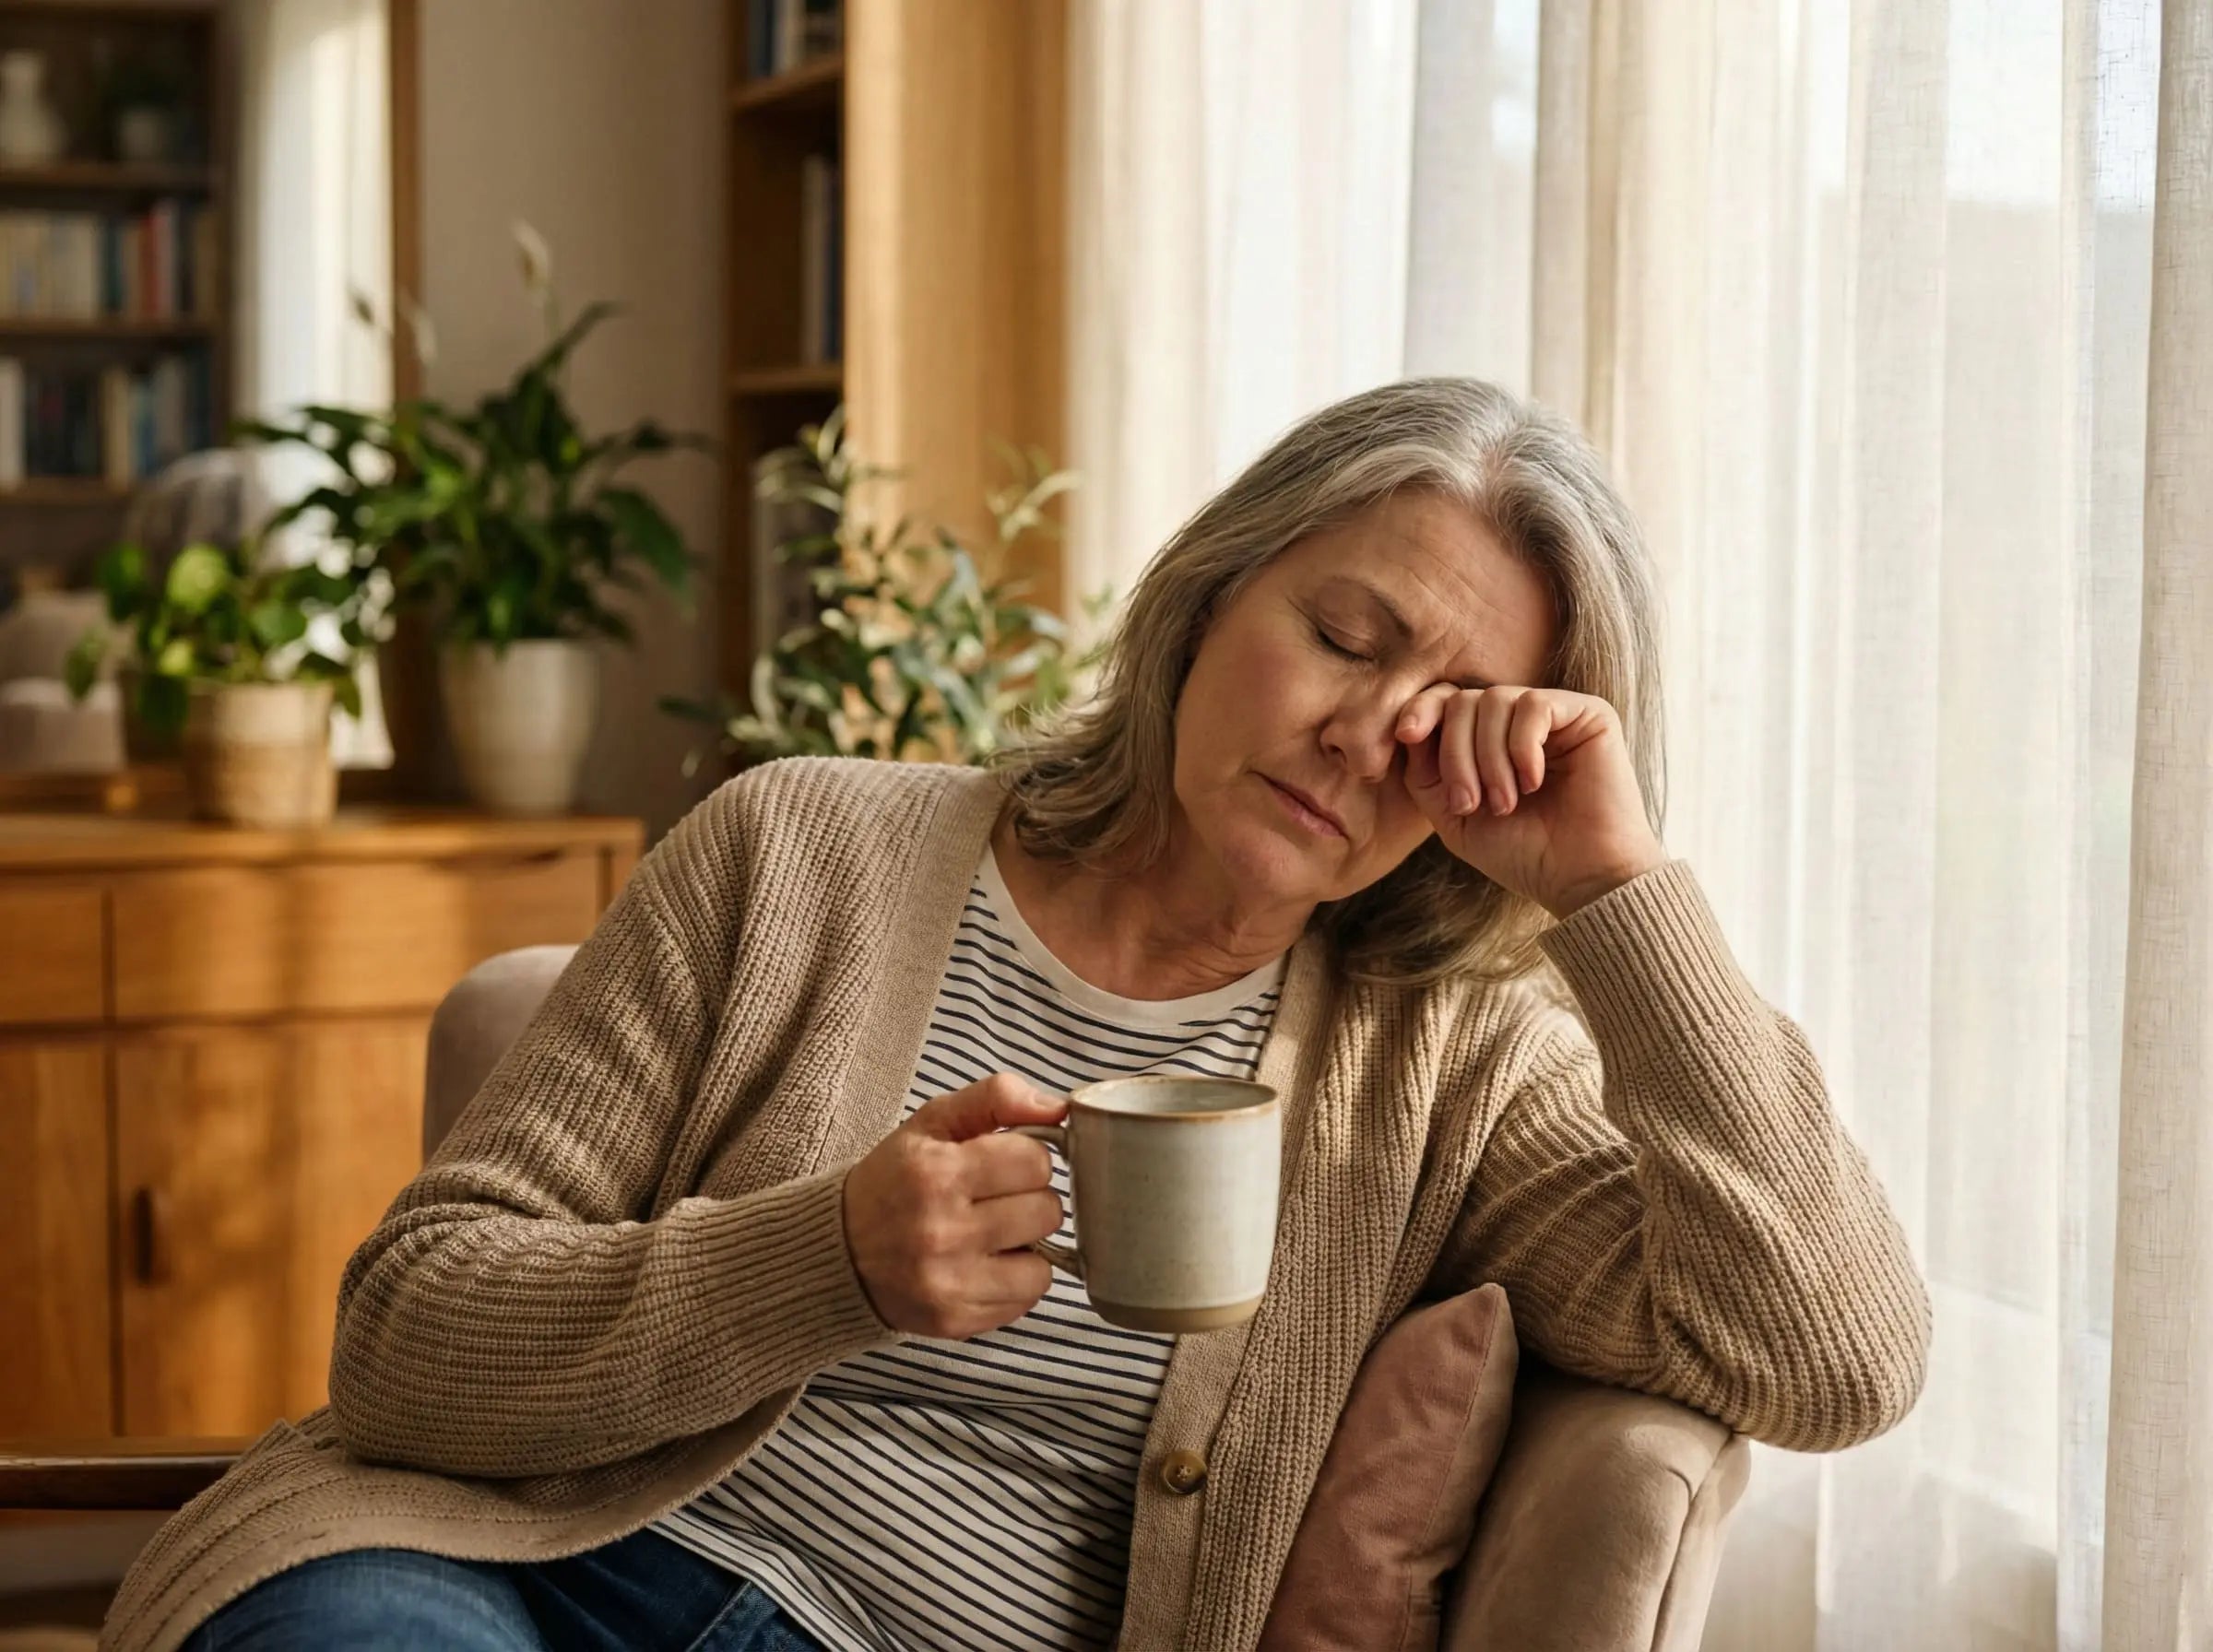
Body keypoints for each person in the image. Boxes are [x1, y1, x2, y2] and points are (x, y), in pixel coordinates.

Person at [108, 378, 1929, 1652]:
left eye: (1451, 712)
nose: (1363, 733)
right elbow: (411, 1341)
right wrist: (817, 1257)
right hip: (505, 1572)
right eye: (1349, 635)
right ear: (1213, 598)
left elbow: (1833, 1356)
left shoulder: (1455, 1074)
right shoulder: (801, 846)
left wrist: (1618, 895)